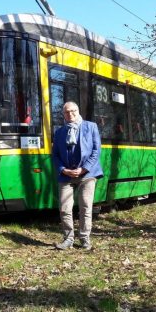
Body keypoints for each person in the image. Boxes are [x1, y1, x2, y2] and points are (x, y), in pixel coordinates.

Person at [52, 101, 103, 250]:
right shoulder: (59, 132)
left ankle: (84, 238)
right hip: (66, 175)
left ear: (78, 111)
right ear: (63, 114)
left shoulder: (91, 126)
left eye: (73, 111)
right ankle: (68, 239)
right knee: (64, 208)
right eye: (67, 112)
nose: (70, 114)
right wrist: (63, 169)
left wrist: (83, 169)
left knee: (85, 207)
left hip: (87, 174)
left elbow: (96, 151)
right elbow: (55, 156)